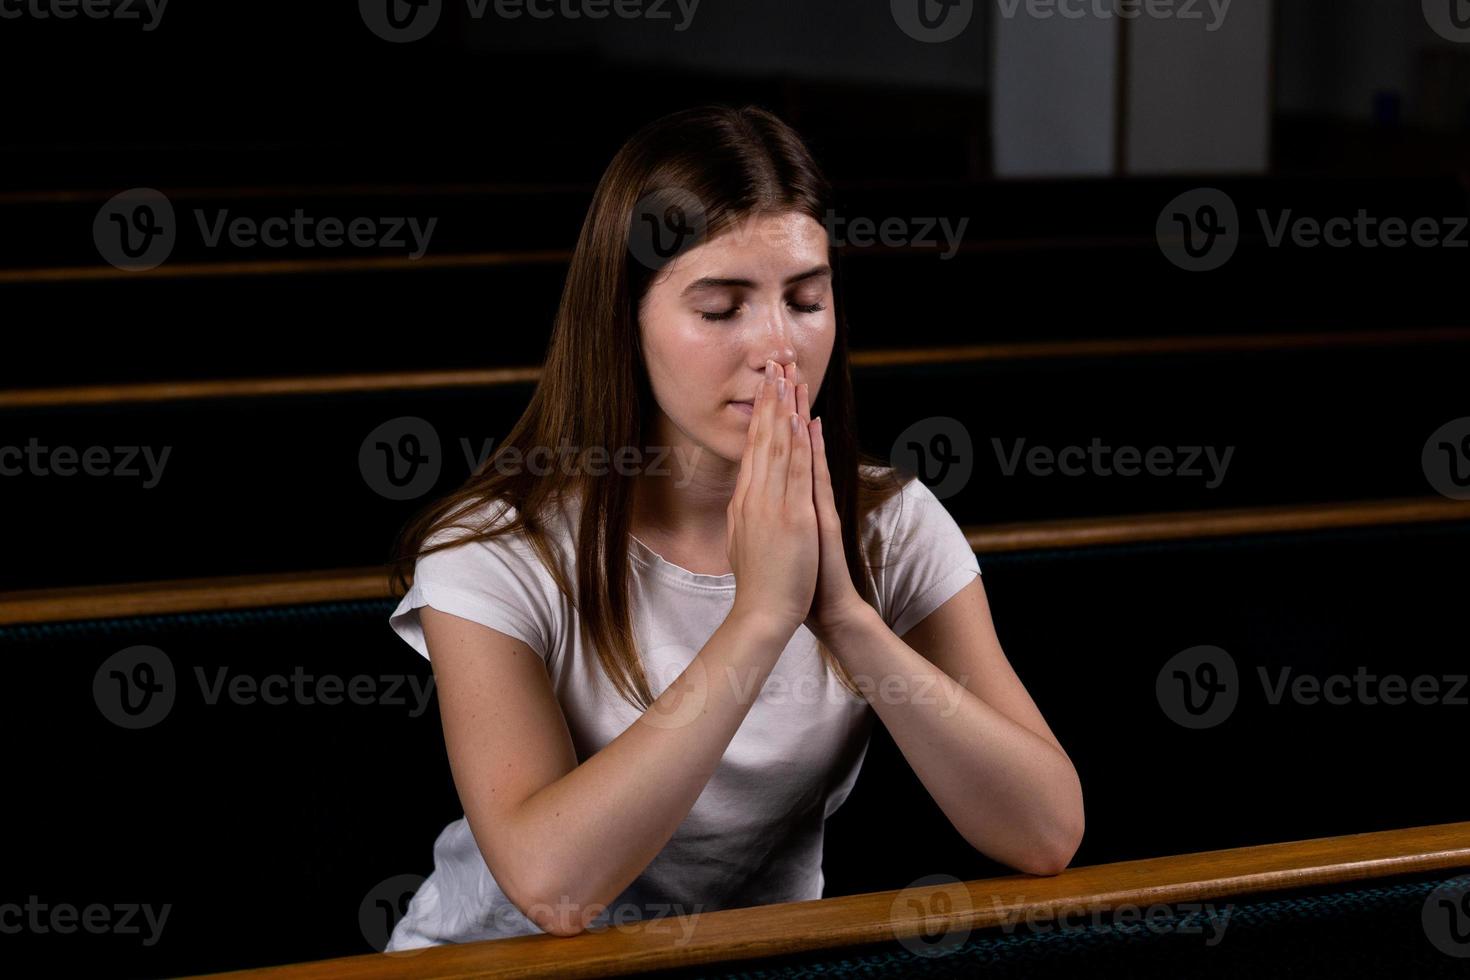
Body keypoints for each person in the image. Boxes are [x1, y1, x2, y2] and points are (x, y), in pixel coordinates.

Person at [383, 104, 1084, 947]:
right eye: (721, 309)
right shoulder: (495, 551)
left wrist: (845, 618)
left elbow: (1044, 831)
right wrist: (759, 619)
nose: (777, 348)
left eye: (806, 300)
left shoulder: (890, 524)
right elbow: (552, 888)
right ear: (625, 321)